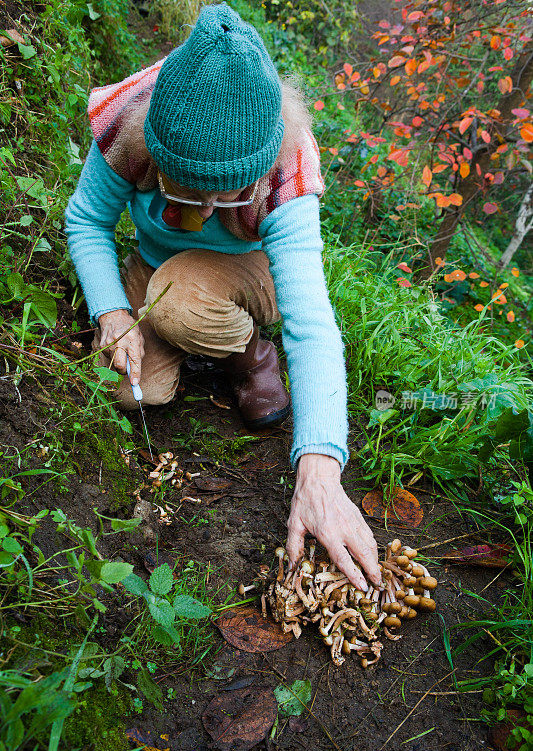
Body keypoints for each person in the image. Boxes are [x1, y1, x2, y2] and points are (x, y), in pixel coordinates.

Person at [65, 3, 380, 589]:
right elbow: (86, 220)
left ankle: (247, 355)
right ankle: (188, 336)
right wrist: (111, 313)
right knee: (132, 391)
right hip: (157, 267)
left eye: (224, 195)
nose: (206, 212)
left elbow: (311, 323)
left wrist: (320, 471)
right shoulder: (134, 121)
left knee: (180, 298)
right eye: (189, 192)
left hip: (246, 274)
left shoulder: (287, 165)